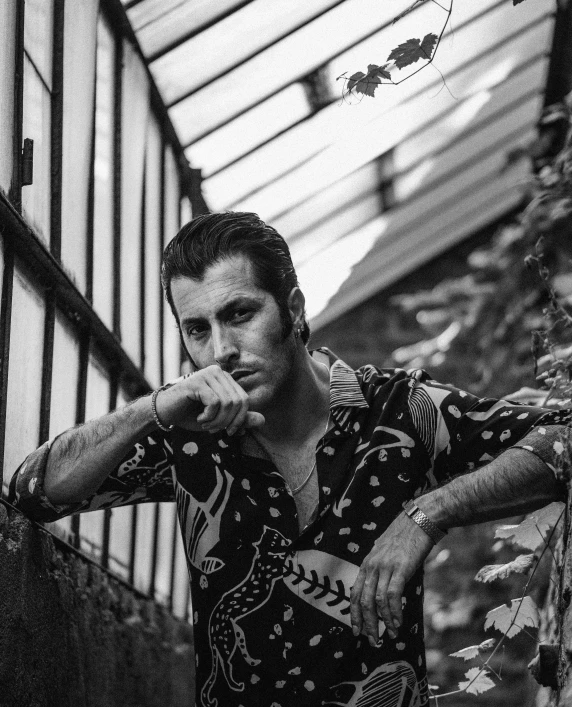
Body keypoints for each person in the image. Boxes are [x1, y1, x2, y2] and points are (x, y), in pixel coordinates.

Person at [10, 211, 570, 707]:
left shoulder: (399, 411)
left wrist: (426, 515)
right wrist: (150, 409)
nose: (222, 349)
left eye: (240, 314)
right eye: (197, 329)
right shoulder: (187, 435)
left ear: (293, 309)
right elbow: (34, 490)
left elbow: (563, 439)